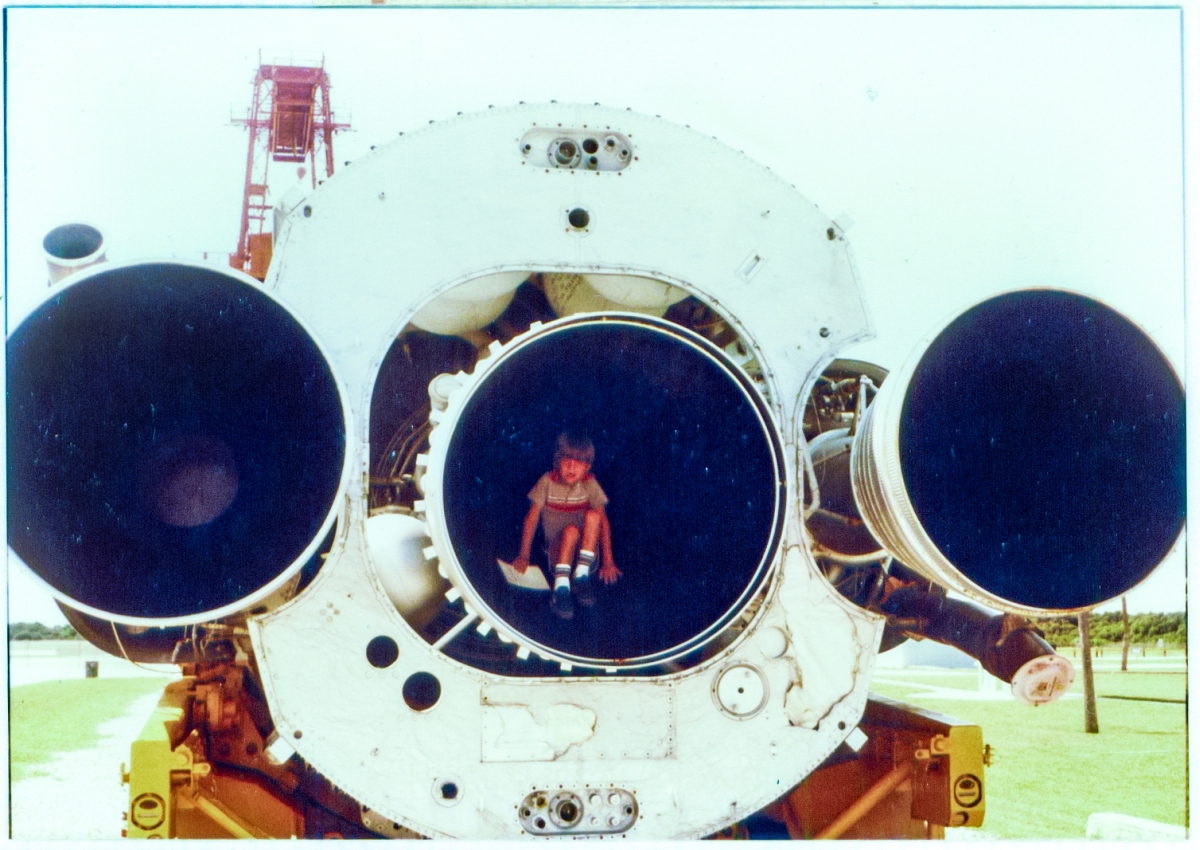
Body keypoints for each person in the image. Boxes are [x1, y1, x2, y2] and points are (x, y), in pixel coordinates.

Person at [512, 432, 619, 619]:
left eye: (578, 463)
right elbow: (531, 519)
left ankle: (581, 577)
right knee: (570, 531)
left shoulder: (590, 483)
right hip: (558, 550)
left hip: (586, 554)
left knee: (595, 516)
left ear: (587, 467)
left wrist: (608, 562)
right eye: (566, 461)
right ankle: (561, 587)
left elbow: (604, 523)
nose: (571, 467)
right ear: (557, 462)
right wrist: (523, 555)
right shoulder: (547, 481)